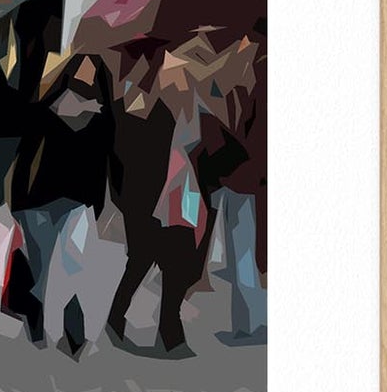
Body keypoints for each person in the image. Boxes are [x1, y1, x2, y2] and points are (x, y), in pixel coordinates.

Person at [4, 38, 113, 354]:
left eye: (93, 72)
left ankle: (73, 335)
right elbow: (24, 158)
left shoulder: (104, 117)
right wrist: (16, 202)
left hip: (77, 201)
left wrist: (102, 206)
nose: (86, 78)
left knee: (76, 266)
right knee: (40, 269)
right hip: (37, 200)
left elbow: (104, 163)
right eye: (82, 69)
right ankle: (37, 324)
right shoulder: (45, 109)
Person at [104, 43, 212, 353]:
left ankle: (169, 332)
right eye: (174, 69)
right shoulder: (139, 102)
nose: (180, 75)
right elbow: (122, 149)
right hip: (146, 199)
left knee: (175, 265)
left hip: (180, 195)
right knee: (141, 262)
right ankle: (117, 317)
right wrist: (122, 199)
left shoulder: (187, 102)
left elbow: (196, 146)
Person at [197, 34, 267, 340]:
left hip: (243, 182)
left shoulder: (247, 87)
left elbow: (239, 140)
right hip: (246, 181)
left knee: (244, 255)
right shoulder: (244, 85)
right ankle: (253, 323)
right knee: (246, 255)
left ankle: (250, 326)